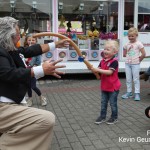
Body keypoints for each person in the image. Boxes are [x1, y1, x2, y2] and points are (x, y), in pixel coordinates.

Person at [0, 16, 70, 150]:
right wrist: (40, 70)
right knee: (46, 120)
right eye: (18, 34)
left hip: (13, 103)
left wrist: (56, 44)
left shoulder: (9, 49)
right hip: (4, 106)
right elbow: (7, 74)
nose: (20, 37)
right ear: (9, 36)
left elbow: (30, 50)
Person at [91, 40, 121, 125]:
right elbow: (98, 72)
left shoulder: (114, 62)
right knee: (103, 103)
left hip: (113, 87)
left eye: (108, 49)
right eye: (104, 49)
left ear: (114, 52)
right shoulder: (103, 61)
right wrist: (93, 70)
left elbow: (109, 72)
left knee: (113, 103)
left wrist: (97, 70)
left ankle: (114, 117)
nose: (105, 51)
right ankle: (102, 116)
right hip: (104, 86)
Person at [121, 27, 146, 101]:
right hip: (127, 64)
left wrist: (139, 60)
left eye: (132, 36)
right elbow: (124, 52)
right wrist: (125, 53)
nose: (130, 37)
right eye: (129, 36)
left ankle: (137, 93)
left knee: (136, 79)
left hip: (135, 64)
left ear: (136, 35)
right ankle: (129, 92)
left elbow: (144, 54)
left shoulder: (139, 43)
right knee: (128, 79)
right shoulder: (127, 44)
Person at [24, 33, 47, 107]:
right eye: (29, 40)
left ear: (36, 41)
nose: (31, 41)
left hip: (33, 70)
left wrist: (34, 65)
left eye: (33, 40)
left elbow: (38, 61)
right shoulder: (24, 49)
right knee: (28, 86)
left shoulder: (37, 50)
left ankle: (41, 98)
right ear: (26, 41)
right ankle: (30, 99)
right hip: (25, 70)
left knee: (33, 86)